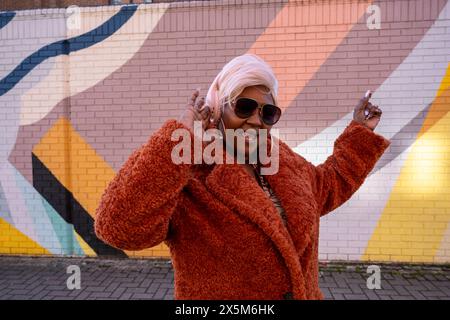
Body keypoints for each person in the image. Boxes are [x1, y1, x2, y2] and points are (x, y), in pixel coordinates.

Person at [94, 53, 390, 300]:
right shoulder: (190, 172)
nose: (255, 120)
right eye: (243, 107)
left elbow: (328, 185)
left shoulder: (283, 160)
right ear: (217, 109)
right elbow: (118, 227)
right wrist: (180, 135)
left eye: (268, 113)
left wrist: (360, 132)